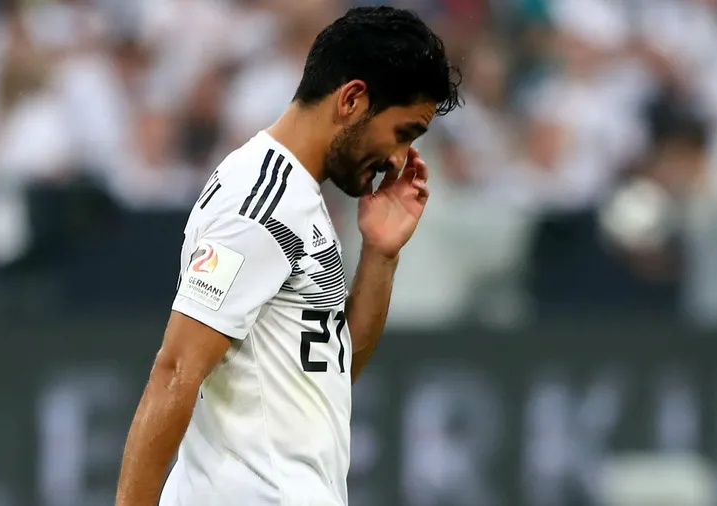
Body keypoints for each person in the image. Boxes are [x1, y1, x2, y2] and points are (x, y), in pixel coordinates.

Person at [114, 6, 461, 506]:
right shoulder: (257, 204)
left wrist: (380, 255)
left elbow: (328, 373)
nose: (398, 159)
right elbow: (175, 370)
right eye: (402, 133)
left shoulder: (298, 199)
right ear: (352, 99)